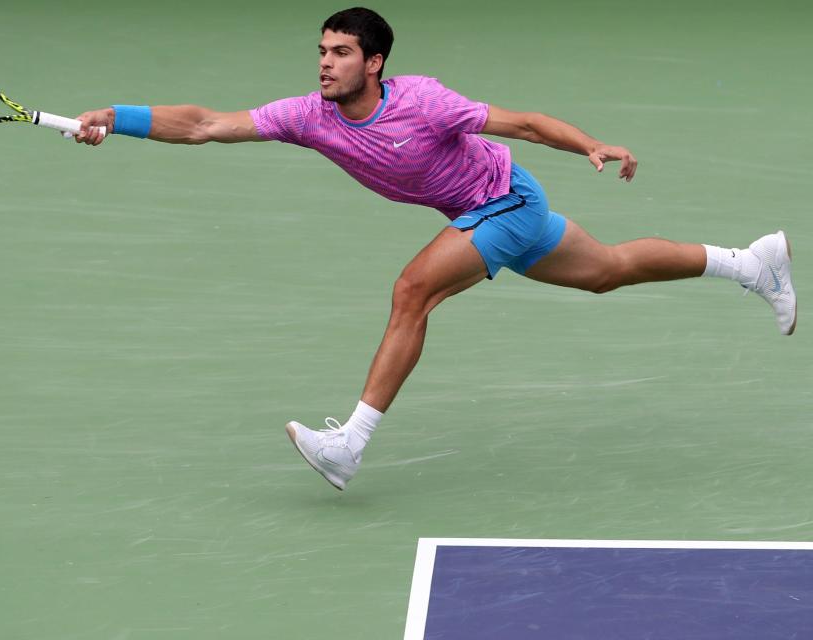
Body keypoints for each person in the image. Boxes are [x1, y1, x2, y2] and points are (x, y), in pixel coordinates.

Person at [73, 7, 797, 491]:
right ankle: (751, 261)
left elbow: (523, 122)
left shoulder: (423, 102)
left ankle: (349, 444)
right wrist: (122, 117)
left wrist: (591, 145)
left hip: (507, 201)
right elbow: (204, 125)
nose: (325, 64)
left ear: (376, 62)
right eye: (321, 51)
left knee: (413, 290)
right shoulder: (307, 116)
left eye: (341, 53)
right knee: (606, 271)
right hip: (490, 207)